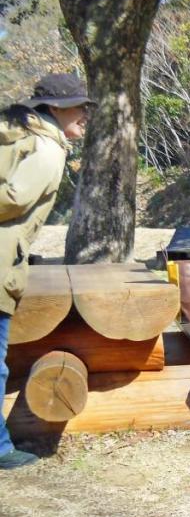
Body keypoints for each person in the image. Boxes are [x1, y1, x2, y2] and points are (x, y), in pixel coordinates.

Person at [0, 73, 94, 469]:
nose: (85, 116)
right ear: (54, 109)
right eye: (79, 107)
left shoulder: (17, 134)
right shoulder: (48, 148)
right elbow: (13, 199)